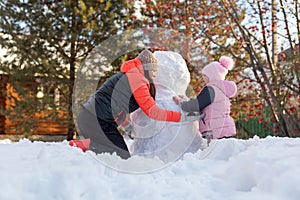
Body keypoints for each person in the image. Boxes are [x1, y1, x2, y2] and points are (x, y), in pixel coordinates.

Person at [70, 49, 202, 159]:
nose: (154, 77)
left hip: (95, 119)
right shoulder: (137, 80)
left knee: (119, 154)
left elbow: (117, 107)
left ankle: (88, 145)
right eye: (153, 72)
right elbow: (153, 112)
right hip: (95, 120)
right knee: (120, 156)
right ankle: (85, 145)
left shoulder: (130, 75)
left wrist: (127, 127)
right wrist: (181, 117)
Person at [129, 51, 205, 163]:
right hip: (185, 156)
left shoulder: (149, 99)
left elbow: (137, 119)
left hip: (151, 155)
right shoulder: (184, 104)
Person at [173, 56, 237, 143]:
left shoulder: (211, 89)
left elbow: (195, 106)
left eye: (205, 75)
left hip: (215, 131)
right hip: (226, 129)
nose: (203, 78)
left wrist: (182, 102)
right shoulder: (222, 90)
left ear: (213, 76)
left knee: (215, 155)